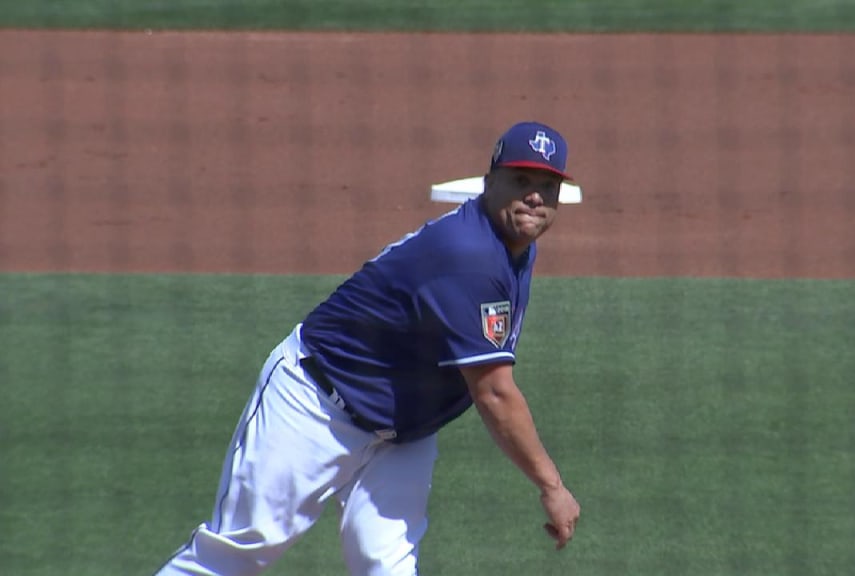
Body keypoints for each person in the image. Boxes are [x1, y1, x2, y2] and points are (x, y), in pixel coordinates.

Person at [154, 121, 581, 576]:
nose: (535, 197)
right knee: (239, 551)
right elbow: (494, 393)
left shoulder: (515, 243)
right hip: (316, 404)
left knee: (387, 567)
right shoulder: (467, 254)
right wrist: (551, 486)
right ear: (489, 181)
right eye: (521, 182)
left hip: (401, 431)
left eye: (547, 185)